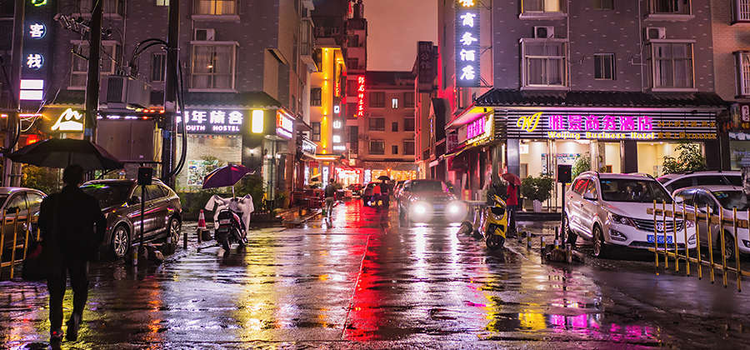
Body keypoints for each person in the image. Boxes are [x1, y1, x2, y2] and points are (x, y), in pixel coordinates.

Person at [39, 165, 106, 345]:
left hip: (56, 251)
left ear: (64, 179)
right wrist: (94, 242)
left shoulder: (51, 201)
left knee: (56, 292)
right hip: (80, 251)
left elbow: (41, 224)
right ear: (81, 180)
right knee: (80, 286)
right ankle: (76, 315)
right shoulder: (89, 201)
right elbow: (101, 224)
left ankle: (55, 329)